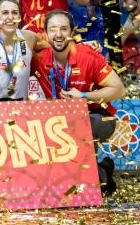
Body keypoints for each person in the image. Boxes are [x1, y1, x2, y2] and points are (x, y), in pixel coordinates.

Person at [31, 10, 126, 194]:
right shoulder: (38, 59)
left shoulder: (88, 56)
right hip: (58, 122)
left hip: (96, 116)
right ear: (46, 33)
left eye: (64, 29)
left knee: (80, 126)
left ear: (73, 32)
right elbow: (23, 39)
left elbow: (119, 89)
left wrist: (83, 96)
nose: (58, 34)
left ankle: (93, 178)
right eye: (53, 29)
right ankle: (101, 172)